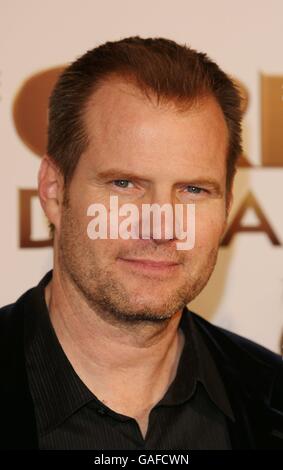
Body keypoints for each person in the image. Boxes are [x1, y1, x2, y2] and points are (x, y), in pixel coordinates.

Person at [0, 36, 282, 450]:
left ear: (227, 207)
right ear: (54, 190)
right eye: (124, 184)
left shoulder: (272, 395)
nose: (160, 226)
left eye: (193, 190)